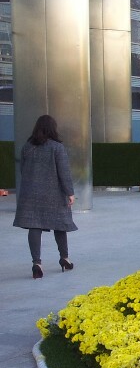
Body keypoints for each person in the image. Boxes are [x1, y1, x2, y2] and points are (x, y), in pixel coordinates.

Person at [13, 115, 77, 279]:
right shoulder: (57, 147)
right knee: (60, 224)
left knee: (34, 226)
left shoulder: (27, 147)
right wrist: (70, 192)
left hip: (30, 194)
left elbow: (23, 170)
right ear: (52, 128)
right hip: (54, 194)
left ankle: (37, 263)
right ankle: (64, 258)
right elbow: (64, 172)